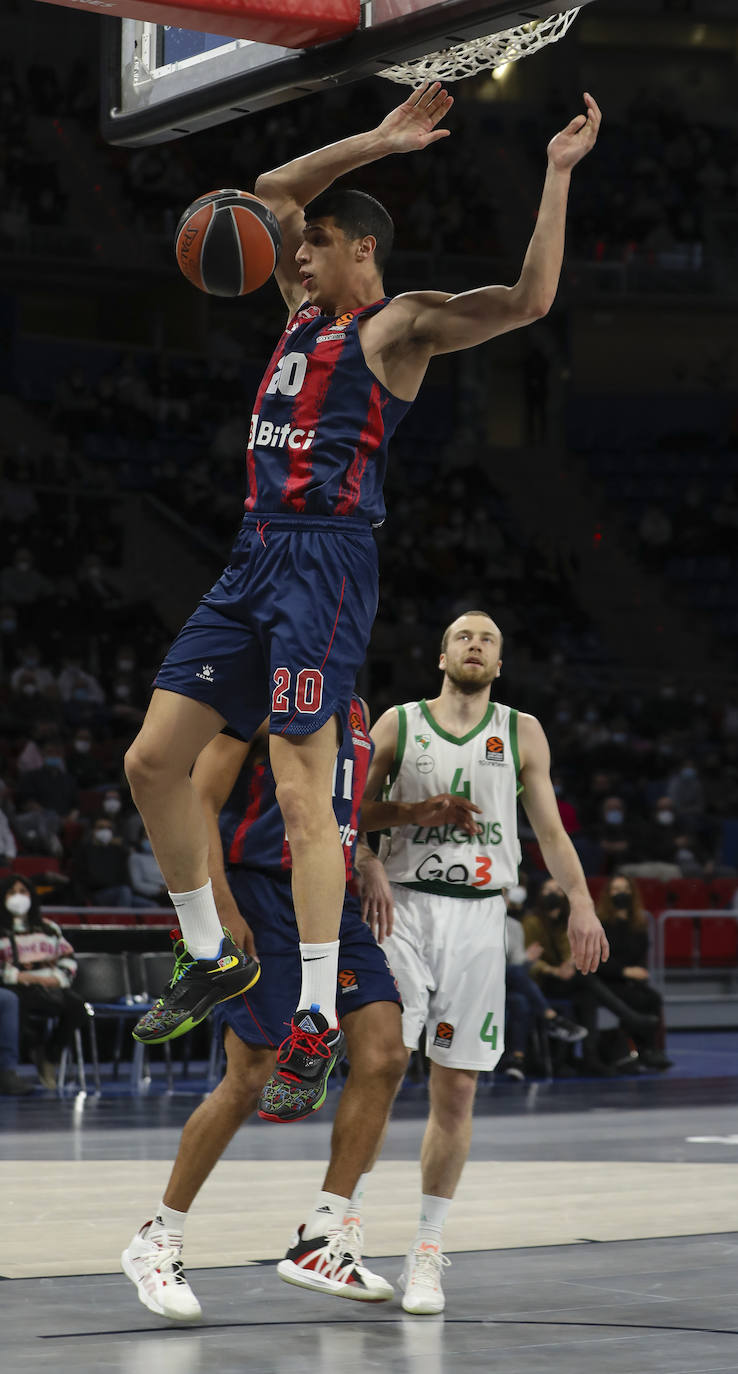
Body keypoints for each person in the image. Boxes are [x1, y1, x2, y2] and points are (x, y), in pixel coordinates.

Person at [124, 83, 603, 1112]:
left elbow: (527, 301)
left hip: (324, 566)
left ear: (364, 255)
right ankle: (209, 952)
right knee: (152, 760)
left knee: (304, 802)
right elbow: (271, 188)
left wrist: (557, 176)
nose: (299, 252)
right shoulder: (299, 312)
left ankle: (309, 1019)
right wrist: (380, 142)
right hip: (252, 554)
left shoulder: (399, 330)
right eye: (301, 247)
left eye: (320, 242)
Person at [123, 696, 477, 1319]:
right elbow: (199, 798)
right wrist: (221, 907)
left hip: (329, 897)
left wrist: (409, 813)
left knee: (385, 1054)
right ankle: (159, 1238)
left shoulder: (358, 710)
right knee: (251, 1073)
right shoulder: (263, 698)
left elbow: (336, 810)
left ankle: (323, 1235)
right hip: (261, 890)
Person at [356, 610, 609, 1314]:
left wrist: (582, 902)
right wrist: (365, 861)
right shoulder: (397, 723)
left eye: (489, 639)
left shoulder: (521, 730)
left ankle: (428, 1251)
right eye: (464, 636)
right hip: (400, 907)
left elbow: (551, 830)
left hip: (477, 913)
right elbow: (347, 810)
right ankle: (342, 1231)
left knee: (457, 1089)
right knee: (380, 1069)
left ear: (500, 663)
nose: (476, 645)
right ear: (442, 655)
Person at [523, 878, 660, 1075]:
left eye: (557, 890)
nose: (553, 895)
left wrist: (570, 963)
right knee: (586, 978)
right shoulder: (532, 922)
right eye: (547, 890)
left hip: (567, 977)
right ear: (540, 894)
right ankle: (630, 1018)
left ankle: (591, 1058)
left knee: (588, 996)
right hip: (542, 980)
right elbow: (528, 959)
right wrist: (555, 971)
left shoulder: (566, 920)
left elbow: (570, 951)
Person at [0, 874, 86, 1089]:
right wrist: (18, 976)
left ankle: (49, 1055)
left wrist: (57, 979)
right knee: (16, 1009)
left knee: (77, 1007)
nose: (18, 897)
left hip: (50, 984)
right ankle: (25, 1056)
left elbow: (68, 958)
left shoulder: (49, 927)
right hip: (17, 986)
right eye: (12, 892)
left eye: (23, 892)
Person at [499, 884, 587, 1081]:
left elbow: (519, 967)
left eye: (504, 896)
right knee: (514, 973)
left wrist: (529, 961)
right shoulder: (473, 926)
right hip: (477, 984)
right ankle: (551, 1019)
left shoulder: (513, 926)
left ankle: (517, 1060)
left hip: (505, 986)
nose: (501, 901)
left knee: (520, 1000)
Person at [594, 874, 672, 1071]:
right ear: (608, 894)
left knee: (653, 998)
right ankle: (637, 1050)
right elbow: (599, 961)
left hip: (630, 981)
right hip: (605, 981)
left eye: (625, 890)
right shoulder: (600, 923)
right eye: (616, 890)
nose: (621, 894)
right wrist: (625, 971)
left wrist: (638, 973)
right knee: (637, 1000)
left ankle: (651, 1049)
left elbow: (640, 957)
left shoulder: (638, 925)